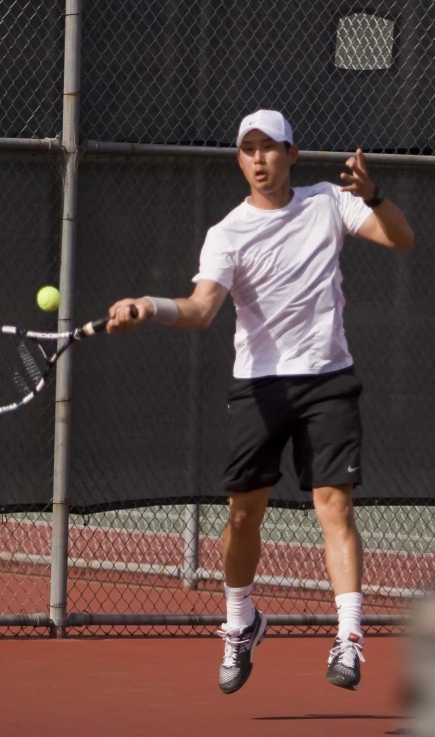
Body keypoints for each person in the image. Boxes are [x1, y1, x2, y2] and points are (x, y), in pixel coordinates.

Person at [106, 109, 414, 694]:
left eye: (269, 148)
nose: (258, 159)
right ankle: (241, 621)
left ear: (291, 154)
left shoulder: (328, 202)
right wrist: (150, 304)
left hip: (328, 378)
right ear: (239, 159)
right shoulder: (227, 233)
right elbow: (200, 312)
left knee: (334, 507)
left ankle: (349, 637)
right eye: (248, 149)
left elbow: (402, 239)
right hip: (259, 385)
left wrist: (375, 196)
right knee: (244, 516)